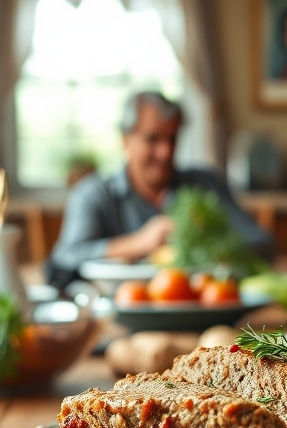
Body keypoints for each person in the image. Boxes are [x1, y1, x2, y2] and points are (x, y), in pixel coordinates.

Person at [47, 91, 273, 288]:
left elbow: (262, 244)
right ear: (126, 140)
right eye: (152, 139)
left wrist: (204, 244)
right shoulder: (94, 194)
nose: (165, 152)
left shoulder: (205, 185)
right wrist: (140, 242)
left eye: (172, 139)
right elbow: (65, 258)